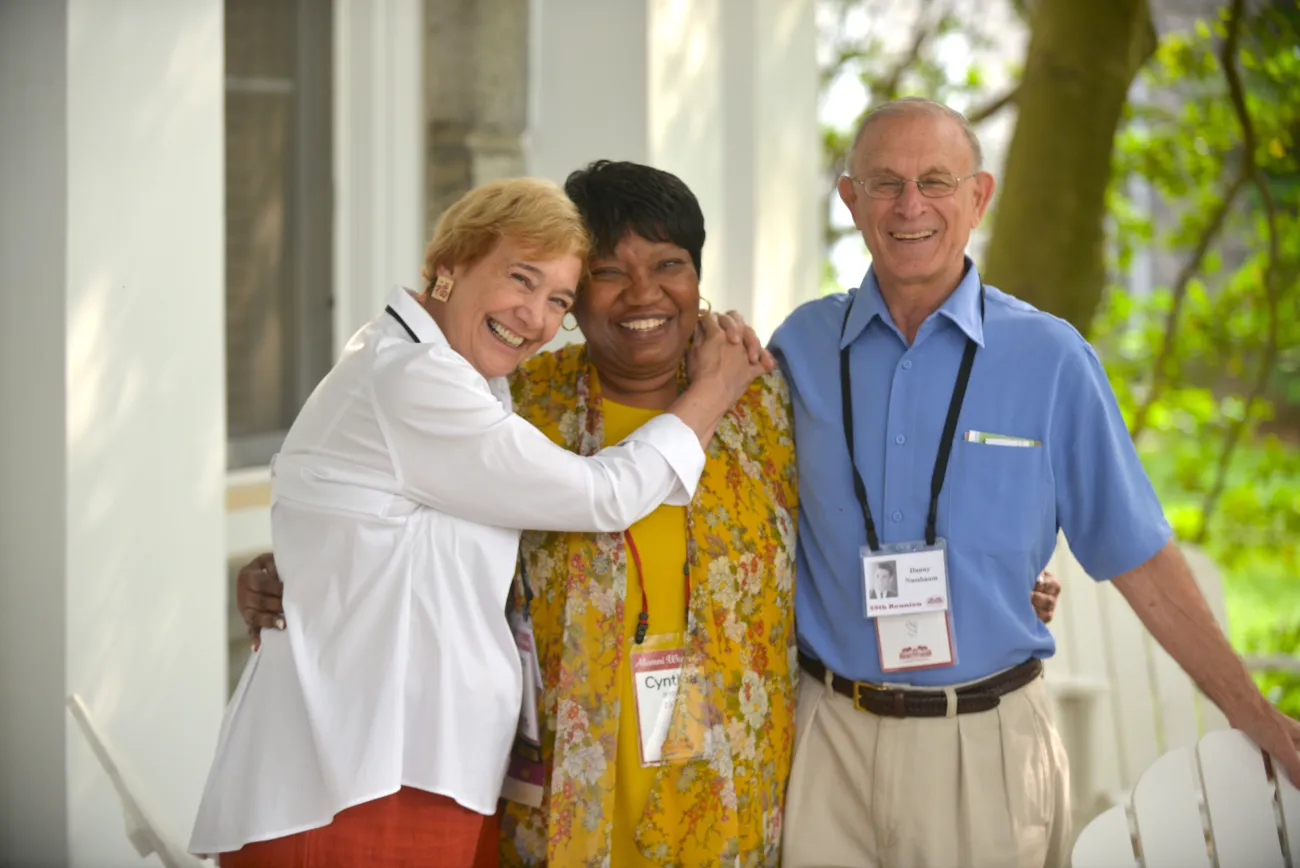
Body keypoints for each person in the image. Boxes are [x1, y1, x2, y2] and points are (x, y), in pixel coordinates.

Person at [235, 161, 1065, 867]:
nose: (642, 294)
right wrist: (298, 568)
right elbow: (404, 511)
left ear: (699, 277)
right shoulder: (513, 399)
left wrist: (990, 583)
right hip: (554, 789)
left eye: (669, 264)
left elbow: (881, 502)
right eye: (604, 273)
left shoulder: (766, 401)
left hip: (730, 785)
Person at [769, 96, 1300, 868]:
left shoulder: (1052, 359)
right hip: (826, 741)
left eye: (936, 181)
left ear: (979, 197)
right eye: (884, 183)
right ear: (850, 199)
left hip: (983, 747)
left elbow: (1138, 558)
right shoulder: (800, 347)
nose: (910, 204)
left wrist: (1258, 717)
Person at [188, 177, 767, 868]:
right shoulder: (415, 381)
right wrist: (711, 392)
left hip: (415, 768)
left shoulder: (460, 380)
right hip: (362, 778)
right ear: (448, 265)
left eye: (557, 300)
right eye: (520, 280)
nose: (535, 316)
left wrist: (297, 569)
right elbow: (602, 495)